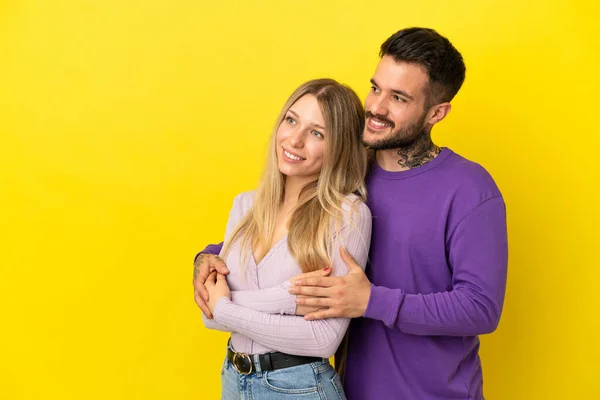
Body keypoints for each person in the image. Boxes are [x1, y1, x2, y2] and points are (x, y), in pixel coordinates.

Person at [195, 27, 508, 400]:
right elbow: (283, 229)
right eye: (375, 88)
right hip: (342, 388)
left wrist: (372, 301)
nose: (375, 107)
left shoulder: (469, 189)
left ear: (435, 113)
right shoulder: (348, 173)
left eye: (398, 98)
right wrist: (210, 256)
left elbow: (480, 308)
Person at [197, 78, 372, 399]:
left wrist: (224, 309)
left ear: (339, 147)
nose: (295, 140)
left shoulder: (348, 214)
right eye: (291, 120)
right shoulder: (244, 205)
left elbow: (323, 339)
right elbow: (208, 316)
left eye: (317, 133)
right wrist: (287, 300)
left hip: (299, 386)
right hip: (234, 377)